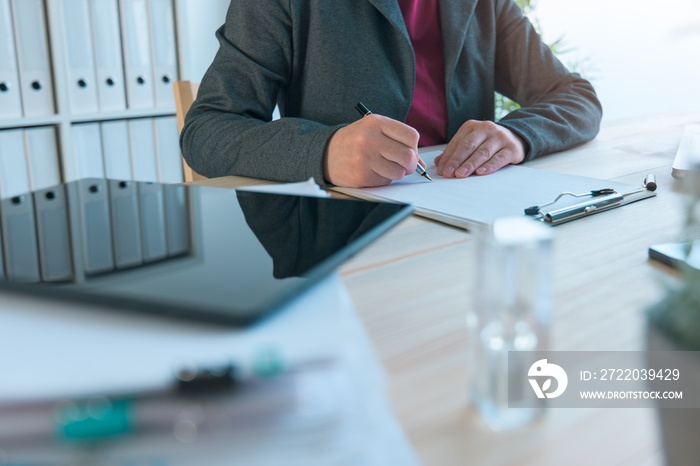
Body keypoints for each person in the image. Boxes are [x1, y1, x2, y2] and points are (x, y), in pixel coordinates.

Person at [181, 0, 602, 188]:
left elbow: (576, 97)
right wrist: (324, 151)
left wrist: (517, 136)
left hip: (463, 233)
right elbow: (207, 129)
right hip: (342, 240)